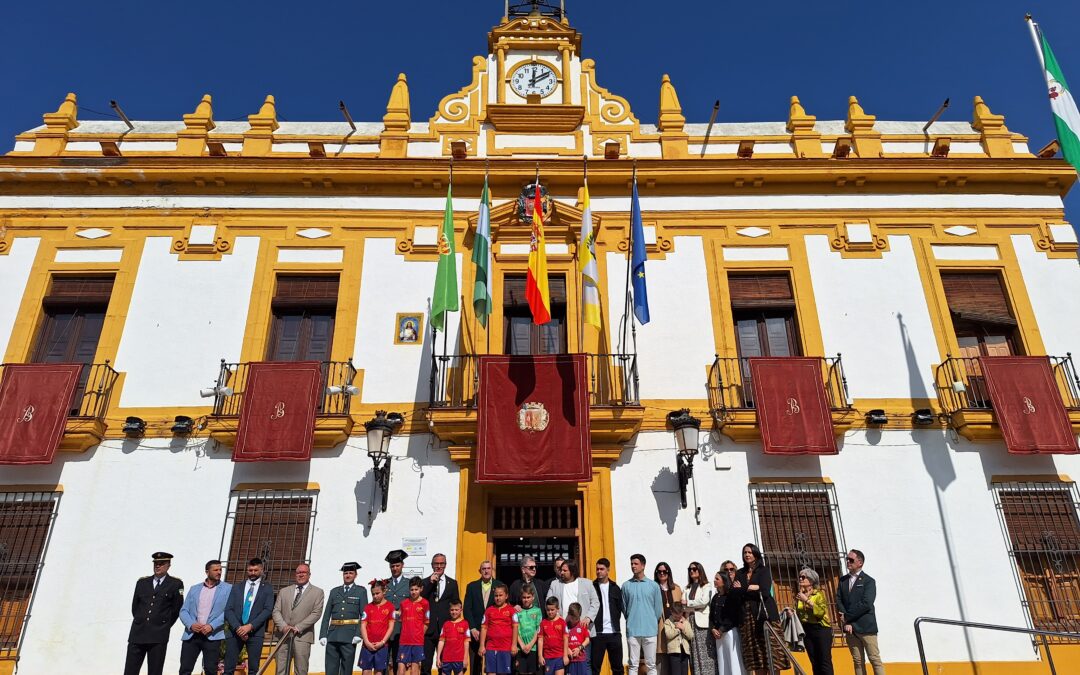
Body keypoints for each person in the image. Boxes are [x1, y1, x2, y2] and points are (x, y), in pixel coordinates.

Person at [731, 544, 789, 675]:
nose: (747, 554)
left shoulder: (764, 570)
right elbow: (734, 593)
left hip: (766, 616)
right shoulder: (740, 573)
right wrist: (751, 588)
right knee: (756, 656)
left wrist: (743, 588)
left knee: (773, 654)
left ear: (756, 554)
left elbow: (765, 591)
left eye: (750, 552)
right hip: (747, 619)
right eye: (745, 552)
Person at [124, 551, 184, 675]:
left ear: (168, 565)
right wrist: (141, 621)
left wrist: (163, 624)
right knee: (130, 670)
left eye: (161, 564)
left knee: (155, 671)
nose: (158, 566)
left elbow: (176, 609)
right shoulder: (142, 582)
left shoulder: (175, 584)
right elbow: (135, 607)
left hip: (158, 635)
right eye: (156, 563)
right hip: (138, 633)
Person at [178, 559, 230, 675]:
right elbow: (183, 611)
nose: (219, 572)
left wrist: (212, 626)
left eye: (220, 570)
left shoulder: (228, 589)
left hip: (212, 635)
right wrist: (191, 624)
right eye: (215, 570)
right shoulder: (194, 589)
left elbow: (228, 611)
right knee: (185, 669)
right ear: (207, 572)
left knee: (210, 670)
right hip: (192, 635)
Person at [224, 557, 275, 674]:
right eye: (250, 570)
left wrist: (250, 626)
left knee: (253, 670)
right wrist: (238, 628)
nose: (252, 573)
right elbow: (228, 609)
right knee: (228, 668)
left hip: (255, 633)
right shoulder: (237, 587)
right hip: (235, 632)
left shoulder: (267, 588)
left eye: (255, 570)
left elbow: (267, 610)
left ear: (261, 570)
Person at [272, 563, 325, 675]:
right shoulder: (284, 591)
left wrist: (298, 627)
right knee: (280, 670)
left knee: (301, 670)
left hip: (303, 637)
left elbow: (316, 613)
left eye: (303, 572)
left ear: (309, 575)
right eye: (298, 572)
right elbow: (276, 611)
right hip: (283, 636)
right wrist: (283, 627)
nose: (300, 575)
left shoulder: (317, 592)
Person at [837, 549, 884, 675]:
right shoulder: (842, 581)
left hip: (866, 627)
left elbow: (866, 603)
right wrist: (846, 621)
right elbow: (839, 600)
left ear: (860, 563)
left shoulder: (869, 581)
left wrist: (847, 617)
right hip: (850, 628)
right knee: (857, 661)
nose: (848, 562)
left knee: (874, 659)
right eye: (847, 559)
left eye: (851, 560)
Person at [320, 561, 368, 675]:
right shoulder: (334, 591)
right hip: (333, 635)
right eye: (345, 573)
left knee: (346, 670)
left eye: (351, 573)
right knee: (330, 668)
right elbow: (327, 614)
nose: (348, 575)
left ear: (356, 575)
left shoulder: (361, 591)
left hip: (349, 636)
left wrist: (358, 634)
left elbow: (364, 615)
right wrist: (323, 634)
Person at [622, 553, 663, 675]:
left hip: (650, 630)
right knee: (633, 664)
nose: (633, 566)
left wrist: (650, 620)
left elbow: (658, 609)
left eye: (636, 564)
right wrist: (631, 619)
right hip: (633, 630)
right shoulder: (626, 586)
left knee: (651, 665)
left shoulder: (654, 586)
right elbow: (624, 608)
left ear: (643, 565)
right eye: (631, 564)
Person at [423, 553, 462, 675]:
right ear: (432, 565)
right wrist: (430, 583)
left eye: (442, 564)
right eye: (436, 564)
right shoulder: (424, 583)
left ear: (445, 565)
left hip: (446, 630)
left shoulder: (452, 583)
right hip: (429, 629)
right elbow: (421, 600)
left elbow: (456, 604)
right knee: (425, 665)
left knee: (444, 665)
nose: (439, 566)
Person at [790, 567, 832, 675]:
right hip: (807, 630)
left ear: (811, 580)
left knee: (824, 661)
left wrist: (807, 600)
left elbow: (821, 612)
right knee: (814, 661)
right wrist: (792, 612)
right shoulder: (799, 595)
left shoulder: (818, 595)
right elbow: (799, 613)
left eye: (803, 577)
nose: (800, 579)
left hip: (821, 629)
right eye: (799, 576)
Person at [709, 562, 743, 675]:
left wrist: (722, 629)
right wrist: (713, 628)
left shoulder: (730, 595)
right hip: (718, 635)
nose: (714, 580)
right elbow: (711, 616)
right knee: (723, 662)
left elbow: (732, 616)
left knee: (733, 661)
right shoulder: (715, 597)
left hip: (729, 633)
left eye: (717, 578)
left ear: (723, 581)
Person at [591, 558, 624, 675]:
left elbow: (622, 608)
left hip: (614, 633)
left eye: (602, 569)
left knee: (618, 668)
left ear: (608, 570)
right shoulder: (592, 587)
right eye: (597, 569)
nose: (599, 571)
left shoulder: (616, 588)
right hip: (597, 633)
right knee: (595, 668)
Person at [464, 560, 497, 674]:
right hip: (476, 632)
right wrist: (472, 628)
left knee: (492, 665)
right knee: (475, 664)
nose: (486, 571)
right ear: (480, 571)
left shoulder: (499, 586)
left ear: (492, 569)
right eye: (484, 569)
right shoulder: (472, 586)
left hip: (493, 632)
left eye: (488, 568)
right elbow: (467, 609)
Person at [683, 561, 716, 675]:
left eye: (694, 569)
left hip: (702, 623)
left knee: (706, 652)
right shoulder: (687, 588)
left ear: (700, 570)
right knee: (694, 653)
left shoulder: (707, 586)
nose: (692, 571)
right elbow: (683, 606)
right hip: (690, 622)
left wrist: (689, 603)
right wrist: (692, 606)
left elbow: (704, 601)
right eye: (690, 569)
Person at [546, 559, 599, 629]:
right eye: (561, 570)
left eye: (565, 571)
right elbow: (548, 601)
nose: (561, 572)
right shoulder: (555, 584)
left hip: (582, 628)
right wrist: (556, 616)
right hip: (561, 628)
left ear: (572, 571)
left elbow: (595, 602)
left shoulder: (587, 583)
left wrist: (588, 618)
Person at [361, 580, 398, 675]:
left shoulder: (390, 607)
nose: (375, 596)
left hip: (382, 646)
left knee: (379, 672)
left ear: (384, 591)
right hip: (367, 645)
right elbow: (363, 625)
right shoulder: (368, 607)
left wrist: (382, 642)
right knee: (366, 671)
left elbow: (391, 627)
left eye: (377, 593)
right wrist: (367, 642)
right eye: (373, 594)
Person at [480, 582, 516, 675]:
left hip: (505, 647)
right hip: (491, 647)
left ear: (506, 596)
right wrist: (482, 645)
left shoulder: (511, 610)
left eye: (501, 595)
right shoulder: (489, 610)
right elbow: (484, 628)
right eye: (496, 595)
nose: (498, 598)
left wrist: (514, 645)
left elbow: (515, 628)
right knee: (490, 672)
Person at [653, 562, 682, 675]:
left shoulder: (676, 589)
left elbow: (682, 610)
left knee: (675, 665)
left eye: (665, 571)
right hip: (660, 630)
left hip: (675, 631)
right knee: (662, 665)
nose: (662, 574)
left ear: (669, 573)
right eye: (659, 572)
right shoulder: (653, 588)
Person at [398, 577, 431, 675]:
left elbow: (426, 622)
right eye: (411, 589)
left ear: (421, 589)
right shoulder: (403, 603)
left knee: (415, 669)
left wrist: (419, 635)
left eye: (416, 589)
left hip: (417, 642)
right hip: (404, 641)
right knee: (401, 668)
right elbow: (400, 619)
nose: (413, 592)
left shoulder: (425, 603)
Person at [385, 549, 412, 669]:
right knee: (383, 663)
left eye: (397, 565)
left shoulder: (409, 584)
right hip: (385, 628)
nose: (395, 568)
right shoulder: (384, 584)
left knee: (399, 663)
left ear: (402, 565)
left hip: (402, 629)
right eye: (392, 566)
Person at [513, 583, 543, 675]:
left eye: (528, 597)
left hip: (533, 648)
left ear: (533, 597)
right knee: (521, 672)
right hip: (520, 648)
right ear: (521, 598)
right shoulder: (517, 611)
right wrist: (521, 645)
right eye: (524, 597)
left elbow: (538, 630)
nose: (526, 600)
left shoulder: (537, 611)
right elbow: (515, 630)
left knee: (532, 672)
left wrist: (530, 645)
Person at [437, 599, 471, 675]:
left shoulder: (465, 624)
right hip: (446, 658)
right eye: (452, 610)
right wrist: (438, 657)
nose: (454, 612)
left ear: (461, 610)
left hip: (459, 659)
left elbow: (466, 642)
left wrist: (465, 658)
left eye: (456, 610)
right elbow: (441, 641)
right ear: (449, 610)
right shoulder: (446, 624)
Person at [661, 602, 693, 675]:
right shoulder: (668, 622)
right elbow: (668, 635)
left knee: (684, 672)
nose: (678, 618)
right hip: (674, 652)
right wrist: (678, 629)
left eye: (680, 616)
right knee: (676, 672)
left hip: (684, 652)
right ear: (672, 612)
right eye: (676, 617)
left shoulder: (685, 622)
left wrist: (683, 628)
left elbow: (691, 635)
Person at [538, 597, 568, 675]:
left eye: (552, 610)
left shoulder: (562, 622)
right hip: (548, 657)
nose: (550, 612)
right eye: (548, 610)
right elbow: (540, 640)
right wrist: (540, 656)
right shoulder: (543, 623)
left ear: (557, 609)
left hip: (559, 656)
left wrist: (565, 656)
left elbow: (565, 639)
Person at [565, 602, 591, 675]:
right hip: (570, 660)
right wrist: (567, 649)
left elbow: (587, 640)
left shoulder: (582, 625)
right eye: (573, 618)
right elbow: (561, 640)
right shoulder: (565, 626)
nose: (575, 620)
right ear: (569, 615)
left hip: (581, 659)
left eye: (577, 618)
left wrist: (579, 648)